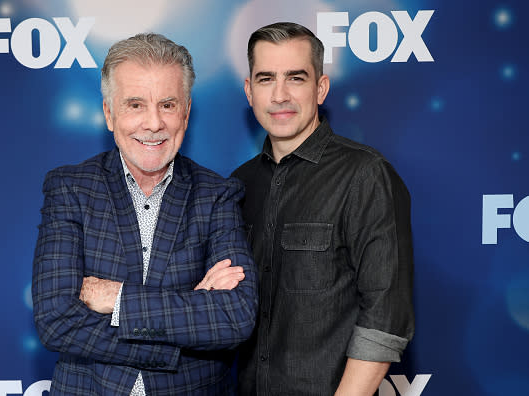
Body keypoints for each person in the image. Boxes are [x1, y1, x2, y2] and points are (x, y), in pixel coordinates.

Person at [32, 33, 258, 396]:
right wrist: (185, 315)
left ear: (185, 112)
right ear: (109, 113)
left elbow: (234, 318)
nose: (153, 123)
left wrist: (118, 299)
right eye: (135, 104)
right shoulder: (69, 189)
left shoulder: (217, 195)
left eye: (167, 104)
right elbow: (56, 321)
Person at [232, 22, 415, 396]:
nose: (280, 95)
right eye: (266, 79)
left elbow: (385, 316)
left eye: (295, 78)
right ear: (250, 91)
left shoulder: (365, 175)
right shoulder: (239, 184)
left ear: (320, 88)